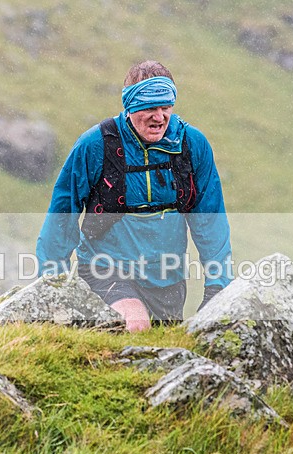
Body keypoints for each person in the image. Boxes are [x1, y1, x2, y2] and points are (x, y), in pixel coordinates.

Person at [36, 60, 232, 332]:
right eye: (150, 108)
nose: (159, 117)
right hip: (105, 271)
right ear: (129, 106)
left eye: (166, 107)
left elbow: (210, 222)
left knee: (160, 347)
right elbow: (62, 215)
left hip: (168, 280)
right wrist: (52, 284)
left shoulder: (191, 145)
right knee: (136, 324)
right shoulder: (96, 145)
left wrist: (217, 285)